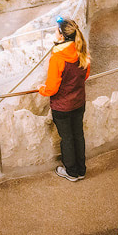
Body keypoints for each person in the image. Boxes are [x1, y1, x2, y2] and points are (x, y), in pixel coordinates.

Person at [39, 16, 91, 182]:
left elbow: (52, 88)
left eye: (56, 30)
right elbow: (85, 75)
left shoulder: (58, 58)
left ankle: (71, 172)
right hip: (78, 102)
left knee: (67, 138)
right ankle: (81, 169)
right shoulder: (81, 50)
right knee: (78, 135)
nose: (55, 32)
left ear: (61, 36)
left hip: (62, 107)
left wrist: (42, 90)